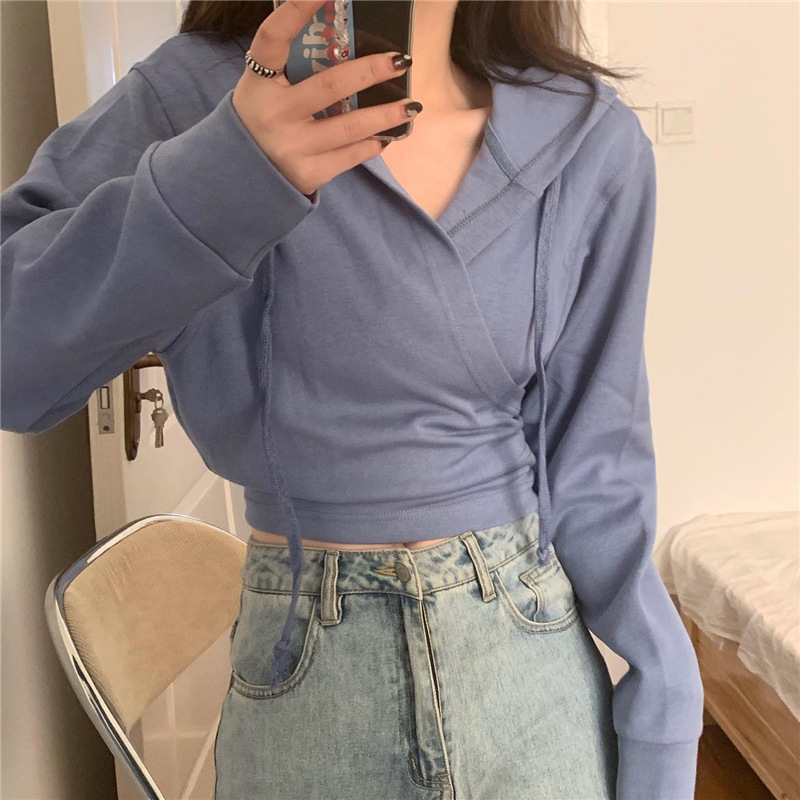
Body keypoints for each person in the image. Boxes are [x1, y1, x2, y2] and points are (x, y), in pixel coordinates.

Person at [1, 1, 705, 797]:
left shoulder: (587, 137)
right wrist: (229, 170)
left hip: (533, 677)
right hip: (307, 687)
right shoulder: (190, 97)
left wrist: (665, 712)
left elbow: (600, 465)